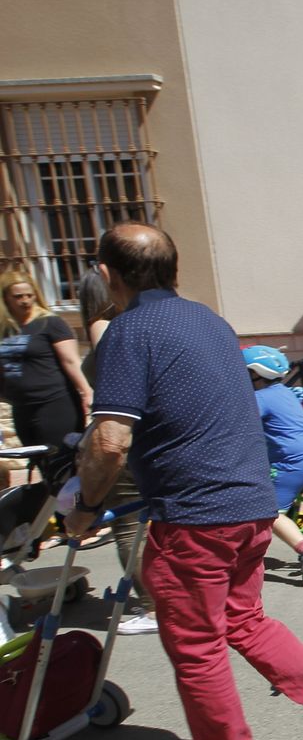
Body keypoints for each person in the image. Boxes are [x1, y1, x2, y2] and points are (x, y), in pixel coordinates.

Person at [66, 222, 303, 740]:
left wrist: (83, 507)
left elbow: (110, 441)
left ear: (108, 276)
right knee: (244, 621)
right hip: (251, 501)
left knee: (195, 639)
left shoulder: (128, 333)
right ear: (174, 269)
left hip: (194, 513)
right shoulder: (210, 323)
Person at [81, 269, 156, 636]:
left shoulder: (105, 328)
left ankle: (154, 606)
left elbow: (115, 402)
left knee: (130, 526)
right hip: (146, 434)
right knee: (148, 524)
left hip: (125, 434)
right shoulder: (138, 323)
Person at [244, 346, 303, 588]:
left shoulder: (259, 399)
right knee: (279, 482)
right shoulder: (284, 391)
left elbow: (241, 425)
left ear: (255, 374)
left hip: (294, 462)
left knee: (269, 510)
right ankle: (296, 518)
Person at [0, 270, 94, 449]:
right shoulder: (5, 330)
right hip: (22, 407)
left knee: (59, 463)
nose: (25, 300)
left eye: (29, 295)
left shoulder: (50, 323)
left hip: (54, 404)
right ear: (5, 299)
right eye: (18, 296)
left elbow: (71, 361)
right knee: (39, 463)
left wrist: (86, 392)